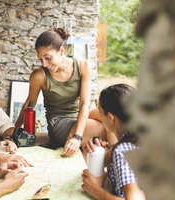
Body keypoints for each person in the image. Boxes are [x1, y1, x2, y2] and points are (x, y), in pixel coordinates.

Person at [15, 28, 109, 156]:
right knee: (107, 128)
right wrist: (13, 130)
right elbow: (29, 104)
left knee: (112, 114)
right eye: (40, 59)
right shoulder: (39, 76)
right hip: (59, 123)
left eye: (47, 58)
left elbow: (84, 104)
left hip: (81, 118)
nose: (44, 64)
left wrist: (77, 137)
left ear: (61, 51)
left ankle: (116, 152)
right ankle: (114, 152)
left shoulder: (83, 66)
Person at [81, 84, 147, 200]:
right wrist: (101, 154)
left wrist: (95, 190)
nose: (98, 115)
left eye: (100, 111)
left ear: (110, 117)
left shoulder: (124, 150)